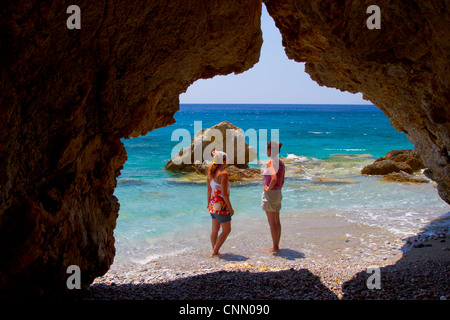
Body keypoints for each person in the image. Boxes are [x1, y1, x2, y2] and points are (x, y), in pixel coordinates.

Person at [207, 151, 234, 257]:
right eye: (226, 158)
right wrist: (231, 208)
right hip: (221, 206)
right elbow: (225, 194)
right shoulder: (223, 174)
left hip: (212, 204)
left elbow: (209, 190)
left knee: (215, 229)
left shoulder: (210, 173)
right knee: (227, 230)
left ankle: (215, 251)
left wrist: (208, 203)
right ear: (223, 161)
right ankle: (215, 252)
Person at [261, 141, 285, 253]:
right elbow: (282, 180)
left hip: (271, 194)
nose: (266, 151)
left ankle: (275, 248)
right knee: (277, 221)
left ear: (270, 150)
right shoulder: (281, 162)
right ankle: (276, 245)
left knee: (272, 223)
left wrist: (268, 188)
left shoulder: (271, 163)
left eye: (267, 149)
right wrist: (276, 189)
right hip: (278, 193)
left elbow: (274, 179)